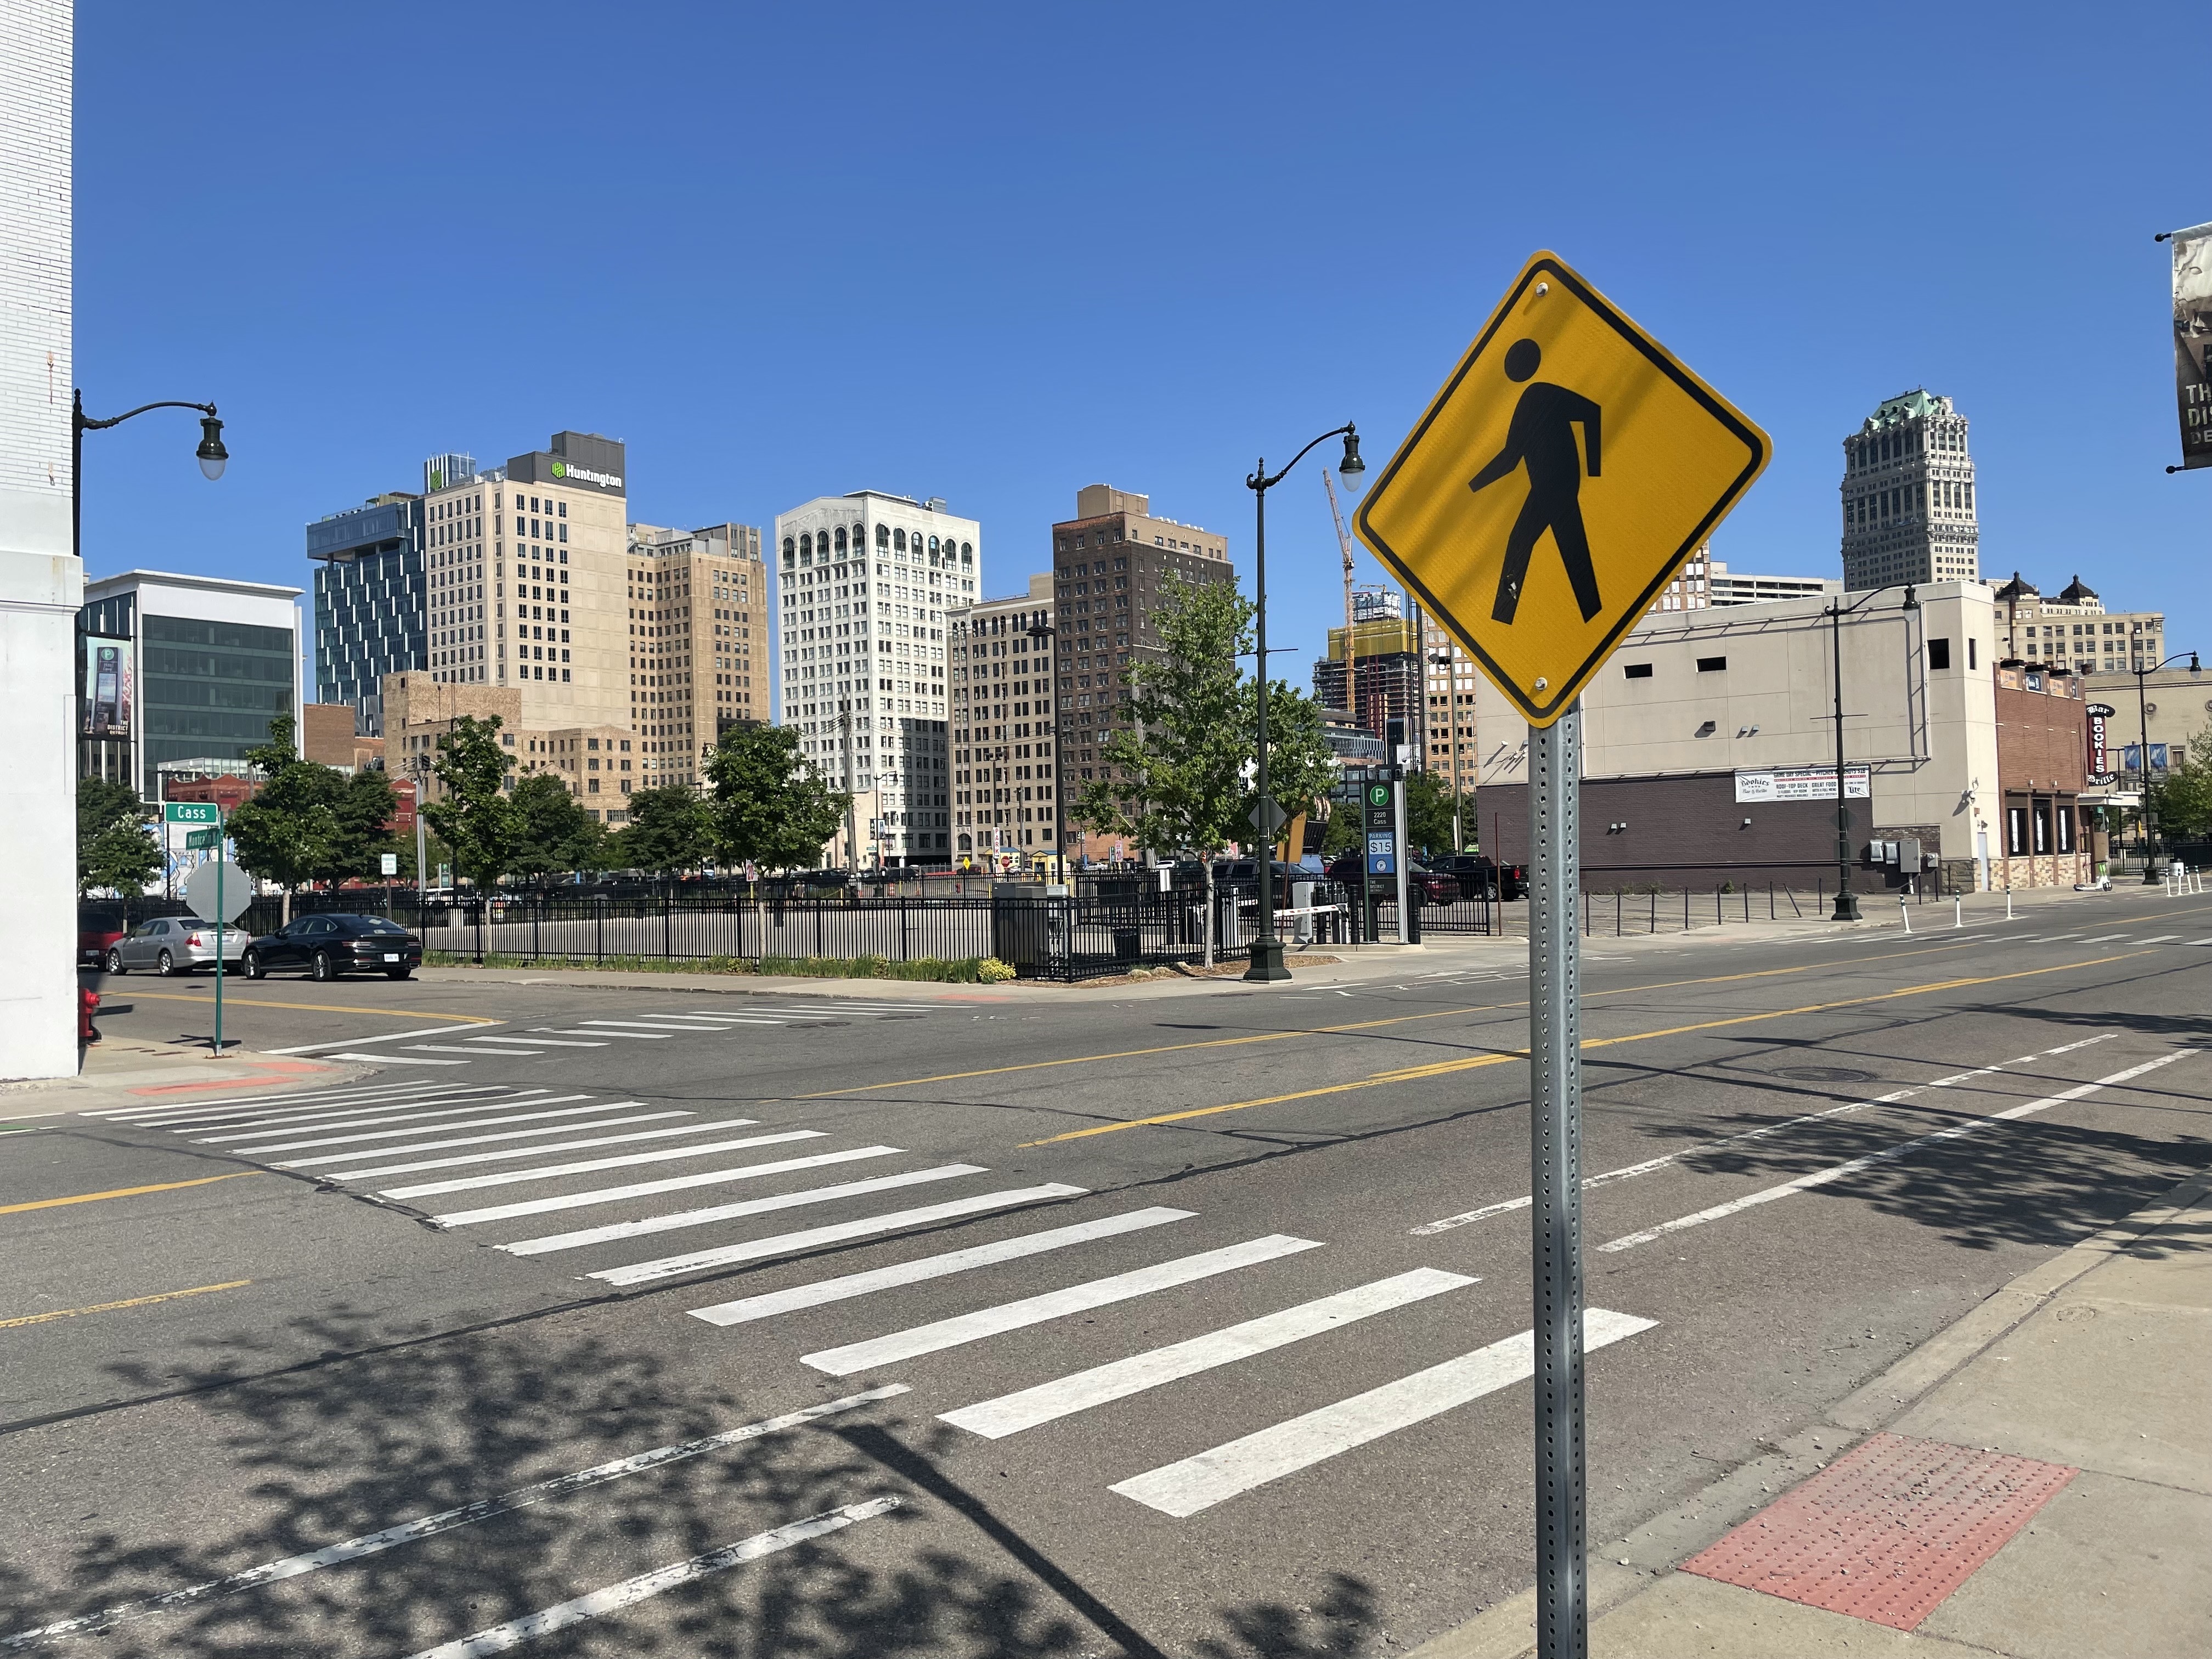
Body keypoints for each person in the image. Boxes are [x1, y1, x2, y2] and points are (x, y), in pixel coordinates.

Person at [1469, 337, 1605, 624]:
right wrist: (1470, 487)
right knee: (1569, 552)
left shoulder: (1539, 395)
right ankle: (1592, 614)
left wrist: (1595, 472)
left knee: (1523, 541)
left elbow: (1592, 412)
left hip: (1556, 486)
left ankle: (1503, 618)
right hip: (1548, 487)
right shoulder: (1529, 400)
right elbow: (1510, 459)